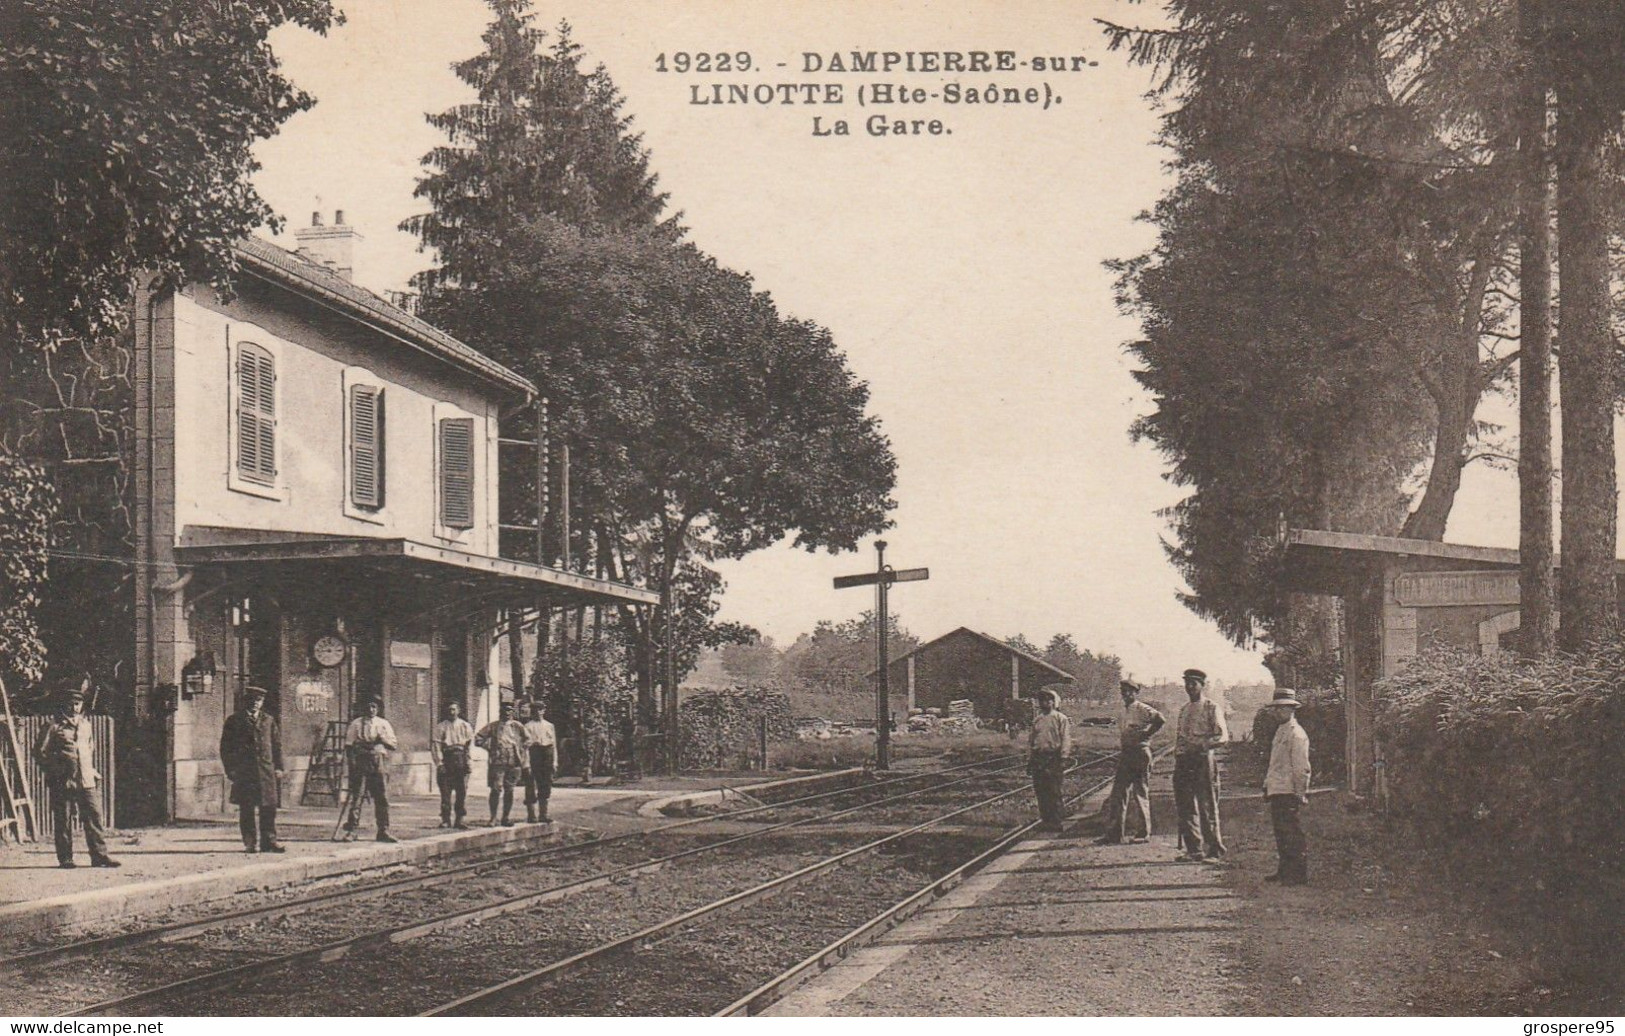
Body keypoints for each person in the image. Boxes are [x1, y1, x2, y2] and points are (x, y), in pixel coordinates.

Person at [32, 683, 119, 869]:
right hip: (63, 781)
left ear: (82, 705)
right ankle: (66, 858)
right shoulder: (53, 726)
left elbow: (89, 748)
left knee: (94, 816)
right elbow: (39, 752)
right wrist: (54, 772)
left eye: (78, 704)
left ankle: (99, 856)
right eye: (71, 703)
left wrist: (90, 769)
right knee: (63, 819)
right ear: (64, 704)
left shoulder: (86, 725)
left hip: (86, 779)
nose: (74, 707)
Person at [1097, 680, 1164, 846]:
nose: (1125, 694)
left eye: (1129, 691)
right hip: (1126, 754)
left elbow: (1160, 719)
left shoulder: (1142, 708)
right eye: (1123, 691)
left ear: (1136, 693)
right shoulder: (1123, 711)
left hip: (1140, 753)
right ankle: (1114, 834)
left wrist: (1146, 734)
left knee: (1139, 793)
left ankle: (1143, 833)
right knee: (1118, 794)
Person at [220, 685, 285, 853]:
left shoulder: (269, 720)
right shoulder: (234, 721)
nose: (256, 703)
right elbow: (226, 749)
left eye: (259, 700)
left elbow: (277, 746)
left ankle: (269, 841)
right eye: (253, 700)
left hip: (266, 771)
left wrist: (279, 767)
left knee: (269, 808)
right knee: (247, 808)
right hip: (245, 773)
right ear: (245, 701)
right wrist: (231, 770)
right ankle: (250, 843)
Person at [1173, 667, 1228, 862]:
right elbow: (1180, 738)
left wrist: (1202, 744)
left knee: (1206, 804)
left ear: (1202, 686)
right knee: (1185, 805)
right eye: (1187, 684)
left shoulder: (1211, 707)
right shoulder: (1184, 710)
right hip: (1184, 761)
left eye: (1193, 684)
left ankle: (1214, 849)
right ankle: (1193, 849)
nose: (1189, 687)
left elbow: (1222, 736)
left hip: (1203, 759)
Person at [1262, 688, 1312, 885]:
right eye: (1275, 708)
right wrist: (1267, 785)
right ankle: (1284, 871)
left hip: (1289, 790)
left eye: (1280, 708)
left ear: (1291, 709)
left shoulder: (1297, 734)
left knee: (1291, 833)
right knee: (1281, 833)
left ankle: (1297, 875)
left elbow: (1301, 767)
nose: (1276, 712)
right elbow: (1274, 763)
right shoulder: (1281, 730)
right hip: (1278, 789)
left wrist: (1301, 792)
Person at [343, 697, 397, 843]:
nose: (371, 709)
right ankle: (352, 830)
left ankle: (383, 831)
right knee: (357, 798)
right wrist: (352, 765)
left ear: (378, 709)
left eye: (374, 707)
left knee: (382, 798)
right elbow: (349, 746)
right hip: (361, 762)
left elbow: (393, 744)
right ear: (363, 708)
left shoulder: (383, 724)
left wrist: (382, 740)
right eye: (368, 706)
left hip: (378, 761)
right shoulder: (356, 724)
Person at [1027, 688, 1072, 832]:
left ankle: (1056, 821)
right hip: (1039, 757)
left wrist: (1064, 757)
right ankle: (1045, 819)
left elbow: (1065, 739)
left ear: (1053, 702)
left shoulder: (1060, 718)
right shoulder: (1037, 720)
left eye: (1048, 700)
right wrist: (1030, 759)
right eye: (1042, 701)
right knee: (1041, 790)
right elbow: (1032, 741)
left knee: (1053, 790)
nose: (1044, 703)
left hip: (1054, 757)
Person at [476, 699, 526, 827]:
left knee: (509, 789)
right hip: (498, 760)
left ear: (513, 712)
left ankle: (506, 817)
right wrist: (490, 747)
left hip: (513, 760)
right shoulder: (493, 726)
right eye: (504, 711)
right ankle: (493, 818)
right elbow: (478, 738)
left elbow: (528, 740)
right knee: (496, 789)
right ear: (500, 712)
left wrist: (520, 749)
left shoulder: (518, 726)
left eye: (509, 710)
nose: (507, 713)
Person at [431, 700, 474, 829]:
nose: (451, 712)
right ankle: (445, 819)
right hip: (447, 759)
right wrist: (439, 763)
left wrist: (469, 762)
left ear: (458, 711)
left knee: (461, 791)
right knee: (445, 792)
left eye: (454, 709)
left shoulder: (465, 726)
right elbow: (436, 746)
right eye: (449, 709)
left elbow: (469, 747)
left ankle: (460, 819)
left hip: (461, 759)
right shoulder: (441, 727)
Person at [521, 699, 557, 823]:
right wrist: (526, 763)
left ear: (543, 711)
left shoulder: (549, 726)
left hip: (547, 754)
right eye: (535, 711)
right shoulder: (527, 726)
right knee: (531, 784)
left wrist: (554, 762)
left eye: (540, 710)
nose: (538, 713)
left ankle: (543, 814)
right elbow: (525, 746)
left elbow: (554, 745)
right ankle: (531, 815)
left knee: (545, 784)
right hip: (534, 754)